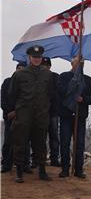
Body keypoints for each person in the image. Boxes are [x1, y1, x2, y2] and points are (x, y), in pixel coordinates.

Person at [8, 45, 54, 183]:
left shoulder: (48, 75)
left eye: (39, 57)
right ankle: (19, 172)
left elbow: (51, 95)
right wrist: (14, 110)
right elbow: (12, 94)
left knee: (40, 143)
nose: (37, 59)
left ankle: (42, 171)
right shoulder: (19, 75)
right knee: (20, 143)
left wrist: (47, 111)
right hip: (23, 114)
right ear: (29, 58)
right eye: (34, 57)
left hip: (41, 114)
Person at [57, 56, 91, 179]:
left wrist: (83, 99)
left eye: (82, 62)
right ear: (72, 63)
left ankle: (78, 170)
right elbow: (60, 91)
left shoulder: (87, 79)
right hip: (66, 115)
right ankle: (65, 169)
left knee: (79, 144)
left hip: (80, 116)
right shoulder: (64, 77)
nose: (80, 64)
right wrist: (73, 86)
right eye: (77, 62)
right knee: (65, 143)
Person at [1, 62, 32, 174]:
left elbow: (29, 100)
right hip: (9, 117)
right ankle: (6, 165)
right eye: (19, 69)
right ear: (16, 69)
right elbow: (3, 99)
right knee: (8, 141)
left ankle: (25, 165)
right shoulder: (7, 82)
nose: (20, 71)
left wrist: (18, 112)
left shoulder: (28, 84)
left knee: (25, 142)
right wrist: (10, 111)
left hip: (24, 117)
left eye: (23, 70)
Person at [42, 57, 61, 167]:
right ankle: (39, 159)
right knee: (40, 137)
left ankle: (54, 159)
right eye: (43, 65)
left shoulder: (55, 77)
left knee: (54, 137)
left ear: (50, 66)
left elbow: (58, 93)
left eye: (47, 65)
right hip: (41, 112)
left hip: (53, 111)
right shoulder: (37, 77)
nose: (45, 67)